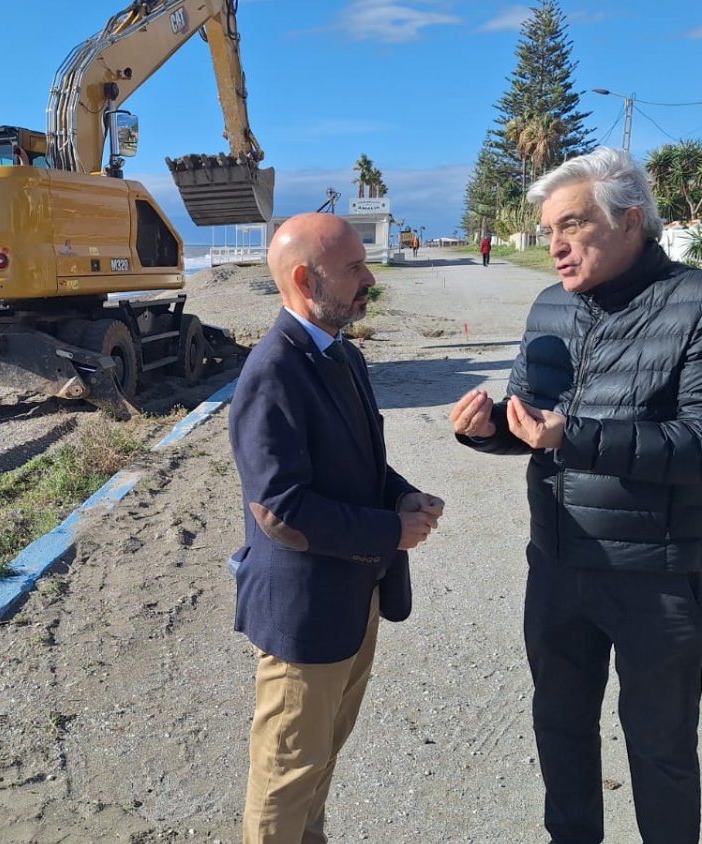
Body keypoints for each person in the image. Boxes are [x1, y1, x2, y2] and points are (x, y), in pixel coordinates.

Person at [448, 148, 702, 844]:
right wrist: (487, 431)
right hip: (559, 565)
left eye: (573, 225)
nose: (554, 246)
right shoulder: (549, 307)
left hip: (656, 576)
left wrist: (577, 436)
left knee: (661, 750)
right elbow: (534, 422)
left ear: (630, 220)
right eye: (548, 229)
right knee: (559, 731)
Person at [229, 212, 444, 843]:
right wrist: (388, 532)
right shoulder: (274, 371)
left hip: (353, 600)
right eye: (352, 268)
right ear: (303, 279)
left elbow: (356, 458)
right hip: (306, 616)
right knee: (285, 773)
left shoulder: (339, 352)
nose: (368, 278)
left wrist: (402, 495)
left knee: (320, 757)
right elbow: (280, 509)